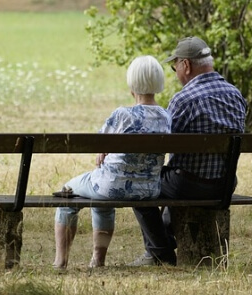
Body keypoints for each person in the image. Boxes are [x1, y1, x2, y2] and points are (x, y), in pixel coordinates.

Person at [129, 37, 247, 266]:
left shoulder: (183, 100)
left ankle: (160, 253)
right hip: (224, 184)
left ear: (186, 65)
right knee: (175, 176)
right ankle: (163, 243)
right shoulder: (236, 95)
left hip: (189, 185)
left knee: (138, 184)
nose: (176, 73)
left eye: (175, 68)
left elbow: (161, 144)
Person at [53, 55, 171, 269]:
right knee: (100, 197)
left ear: (132, 84)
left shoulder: (122, 115)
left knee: (67, 192)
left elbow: (98, 144)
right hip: (148, 190)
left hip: (111, 186)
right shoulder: (166, 116)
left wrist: (103, 150)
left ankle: (60, 262)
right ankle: (97, 260)